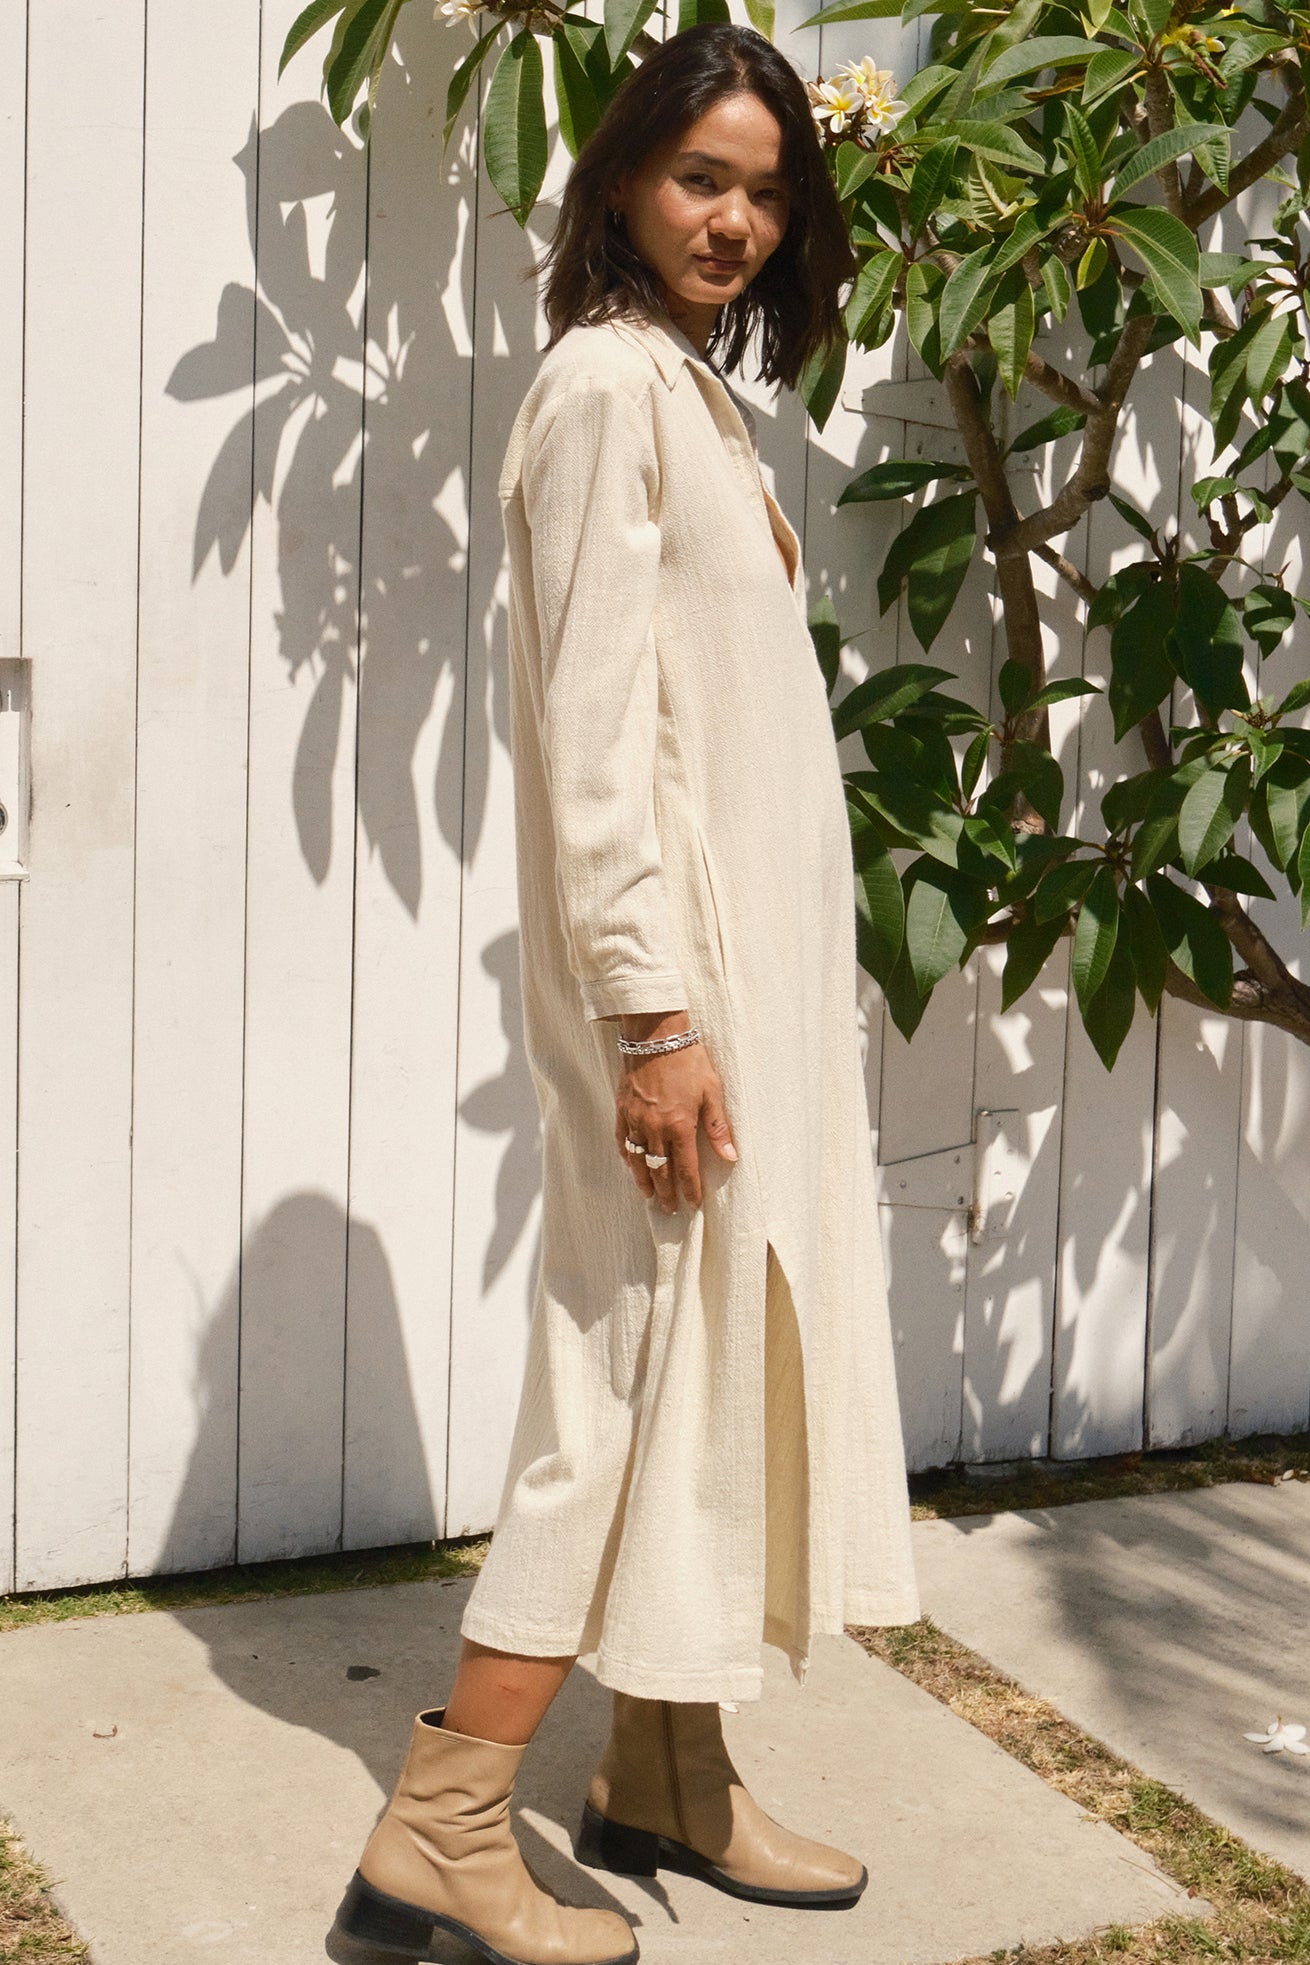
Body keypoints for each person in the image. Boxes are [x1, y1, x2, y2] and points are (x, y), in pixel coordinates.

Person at [336, 21, 921, 1965]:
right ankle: (445, 1816)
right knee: (613, 1382)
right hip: (667, 1009)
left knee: (705, 1381)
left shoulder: (689, 394)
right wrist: (652, 1016)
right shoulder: (600, 388)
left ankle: (664, 1772)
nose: (736, 217)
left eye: (764, 187)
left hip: (734, 1002)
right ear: (615, 182)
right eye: (700, 178)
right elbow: (590, 744)